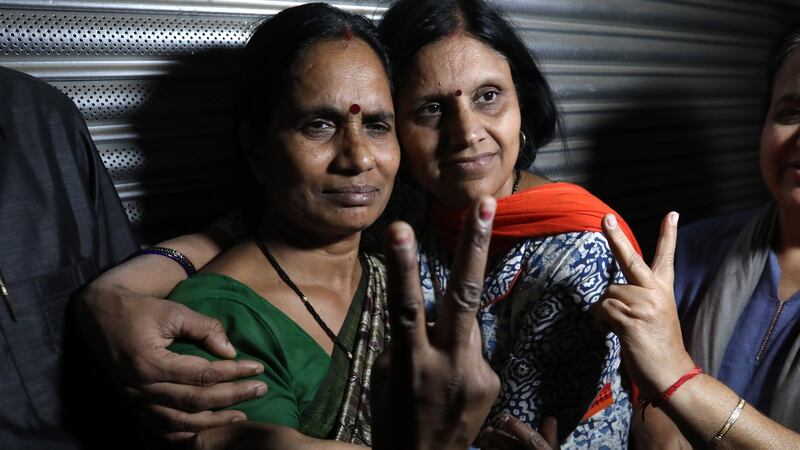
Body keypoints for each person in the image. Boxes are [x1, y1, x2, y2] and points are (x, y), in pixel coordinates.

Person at [81, 0, 641, 446]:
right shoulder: (220, 313)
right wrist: (113, 292)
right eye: (319, 125)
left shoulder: (402, 246)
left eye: (376, 125)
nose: (357, 158)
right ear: (256, 150)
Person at [377, 0, 640, 447]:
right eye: (431, 109)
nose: (466, 132)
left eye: (488, 97)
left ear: (522, 102)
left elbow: (514, 432)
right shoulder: (404, 214)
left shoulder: (576, 249)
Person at [625, 27, 800, 448]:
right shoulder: (689, 253)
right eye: (790, 113)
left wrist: (680, 384)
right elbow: (636, 399)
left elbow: (664, 382)